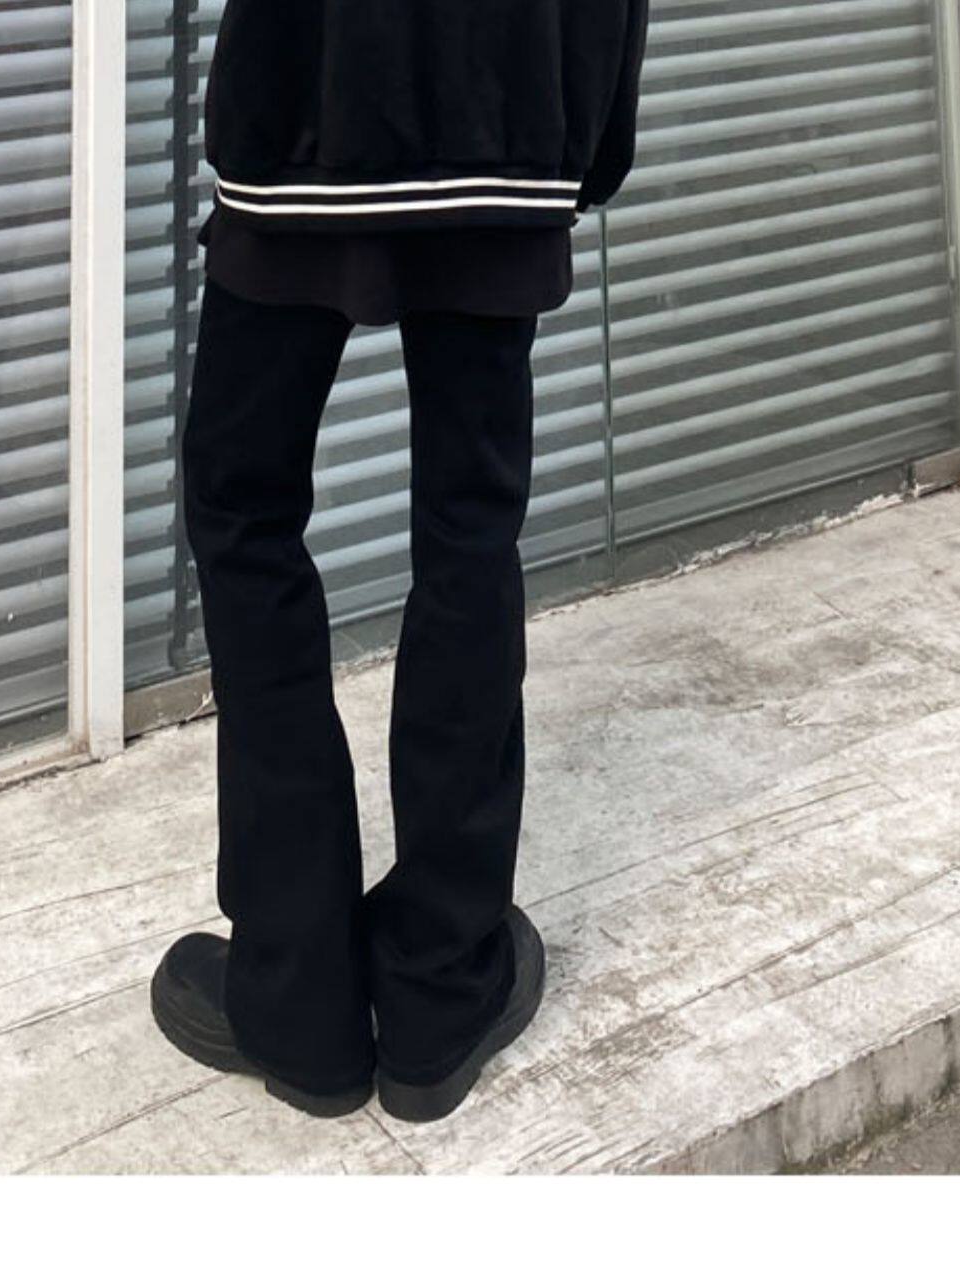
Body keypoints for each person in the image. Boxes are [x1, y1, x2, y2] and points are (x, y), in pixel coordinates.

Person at [150, 0, 650, 1123]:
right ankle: (440, 986)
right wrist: (586, 133)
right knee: (469, 533)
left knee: (243, 506)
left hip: (310, 108)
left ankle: (298, 995)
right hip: (508, 119)